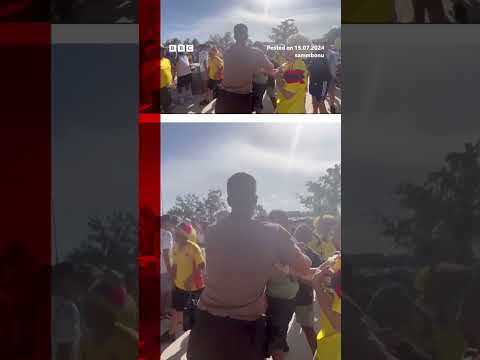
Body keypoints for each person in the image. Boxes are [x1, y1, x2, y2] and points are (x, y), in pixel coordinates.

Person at [187, 172, 312, 360]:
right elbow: (305, 267)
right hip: (244, 332)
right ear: (255, 199)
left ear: (229, 200)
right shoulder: (272, 233)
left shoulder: (212, 232)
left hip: (206, 327)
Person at [215, 24, 275, 114]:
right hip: (242, 98)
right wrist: (261, 69)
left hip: (223, 98)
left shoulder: (227, 52)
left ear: (235, 36)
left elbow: (237, 69)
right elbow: (271, 67)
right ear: (247, 36)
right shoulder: (255, 52)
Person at [162, 222, 205, 343]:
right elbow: (175, 264)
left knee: (194, 313)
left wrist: (190, 278)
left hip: (194, 286)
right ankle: (172, 333)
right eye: (176, 231)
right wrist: (173, 279)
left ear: (185, 234)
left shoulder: (193, 247)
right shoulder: (175, 247)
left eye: (178, 232)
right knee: (176, 309)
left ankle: (196, 336)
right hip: (179, 285)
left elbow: (201, 265)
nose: (175, 234)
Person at [265, 210, 299, 360]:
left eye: (279, 221)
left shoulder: (289, 243)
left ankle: (280, 347)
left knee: (279, 335)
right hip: (276, 299)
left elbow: (299, 268)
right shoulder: (268, 245)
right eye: (272, 221)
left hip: (286, 300)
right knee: (276, 337)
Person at [78, 280, 138, 360]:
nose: (86, 312)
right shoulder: (86, 340)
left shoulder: (130, 342)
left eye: (93, 307)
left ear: (108, 312)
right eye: (86, 305)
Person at [292, 224, 323, 355]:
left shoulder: (311, 254)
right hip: (300, 297)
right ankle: (319, 355)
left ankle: (318, 354)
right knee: (308, 330)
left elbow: (319, 272)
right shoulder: (311, 254)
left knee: (308, 330)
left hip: (297, 297)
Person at [312, 256, 342, 360]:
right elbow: (316, 275)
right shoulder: (337, 260)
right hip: (326, 344)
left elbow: (338, 324)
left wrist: (317, 287)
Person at [52, 262, 82, 360]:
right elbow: (64, 352)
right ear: (65, 280)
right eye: (75, 279)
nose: (78, 284)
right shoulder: (67, 308)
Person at [275, 49, 308, 114]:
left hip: (292, 110)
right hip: (283, 107)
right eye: (286, 48)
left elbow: (288, 95)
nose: (286, 51)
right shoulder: (287, 64)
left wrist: (278, 79)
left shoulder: (298, 66)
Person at [307, 49, 333, 114]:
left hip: (322, 83)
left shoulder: (321, 57)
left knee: (320, 104)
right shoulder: (312, 57)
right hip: (313, 83)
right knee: (314, 103)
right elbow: (310, 70)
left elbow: (325, 75)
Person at [160, 214, 175, 320]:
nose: (171, 224)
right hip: (164, 268)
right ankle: (162, 313)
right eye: (170, 222)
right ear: (165, 222)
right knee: (164, 292)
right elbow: (166, 254)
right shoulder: (167, 234)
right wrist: (170, 271)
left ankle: (162, 312)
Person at [154, 46, 174, 113]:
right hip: (159, 88)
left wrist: (172, 81)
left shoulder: (167, 60)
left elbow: (169, 71)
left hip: (168, 86)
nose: (162, 51)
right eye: (160, 50)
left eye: (163, 50)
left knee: (168, 103)